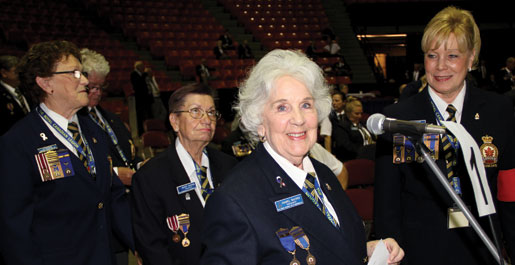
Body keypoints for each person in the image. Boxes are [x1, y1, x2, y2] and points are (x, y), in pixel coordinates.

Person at [200, 49, 404, 265]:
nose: (298, 119)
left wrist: (365, 251)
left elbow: (330, 246)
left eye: (306, 105)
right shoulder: (234, 200)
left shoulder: (323, 174)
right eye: (282, 107)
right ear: (260, 122)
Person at [374, 7, 515, 265]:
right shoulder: (398, 118)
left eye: (452, 55)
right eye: (432, 55)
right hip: (420, 253)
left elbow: (508, 192)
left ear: (471, 58)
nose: (441, 66)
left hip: (482, 249)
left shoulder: (499, 111)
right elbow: (387, 206)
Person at [0, 40, 134, 265]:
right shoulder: (18, 143)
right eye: (74, 73)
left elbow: (114, 197)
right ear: (45, 83)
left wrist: (141, 245)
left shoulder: (94, 132)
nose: (84, 80)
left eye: (81, 72)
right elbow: (14, 228)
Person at [131, 83, 238, 265]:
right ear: (175, 121)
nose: (207, 119)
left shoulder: (230, 166)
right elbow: (151, 247)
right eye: (196, 111)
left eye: (211, 112)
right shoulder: (150, 177)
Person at [80, 48, 144, 265]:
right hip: (98, 220)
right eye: (91, 87)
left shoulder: (111, 119)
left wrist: (140, 166)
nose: (97, 93)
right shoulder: (73, 124)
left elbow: (129, 153)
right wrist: (116, 174)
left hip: (126, 214)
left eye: (101, 87)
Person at [332, 98, 375, 162]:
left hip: (370, 156)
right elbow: (346, 146)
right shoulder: (341, 126)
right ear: (348, 113)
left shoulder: (362, 124)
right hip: (354, 159)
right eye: (357, 114)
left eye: (361, 113)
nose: (360, 116)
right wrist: (365, 151)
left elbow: (372, 138)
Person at [0, 55, 31, 135]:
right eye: (16, 72)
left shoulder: (26, 88)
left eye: (21, 72)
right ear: (4, 73)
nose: (20, 75)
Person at [130, 60, 153, 135]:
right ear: (138, 67)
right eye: (142, 66)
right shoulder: (134, 74)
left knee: (149, 115)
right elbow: (138, 85)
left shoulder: (142, 75)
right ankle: (141, 132)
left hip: (146, 98)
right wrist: (144, 75)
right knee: (140, 116)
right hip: (139, 99)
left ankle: (150, 130)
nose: (144, 67)